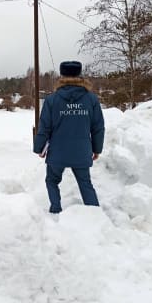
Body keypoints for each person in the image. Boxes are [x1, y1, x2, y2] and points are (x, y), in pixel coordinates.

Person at [33, 61, 105, 213]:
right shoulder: (91, 99)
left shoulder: (52, 100)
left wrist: (39, 148)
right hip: (82, 151)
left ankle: (55, 209)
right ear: (79, 74)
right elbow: (97, 127)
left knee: (52, 181)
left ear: (62, 75)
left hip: (57, 152)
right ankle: (94, 213)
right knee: (85, 183)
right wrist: (96, 149)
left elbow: (44, 127)